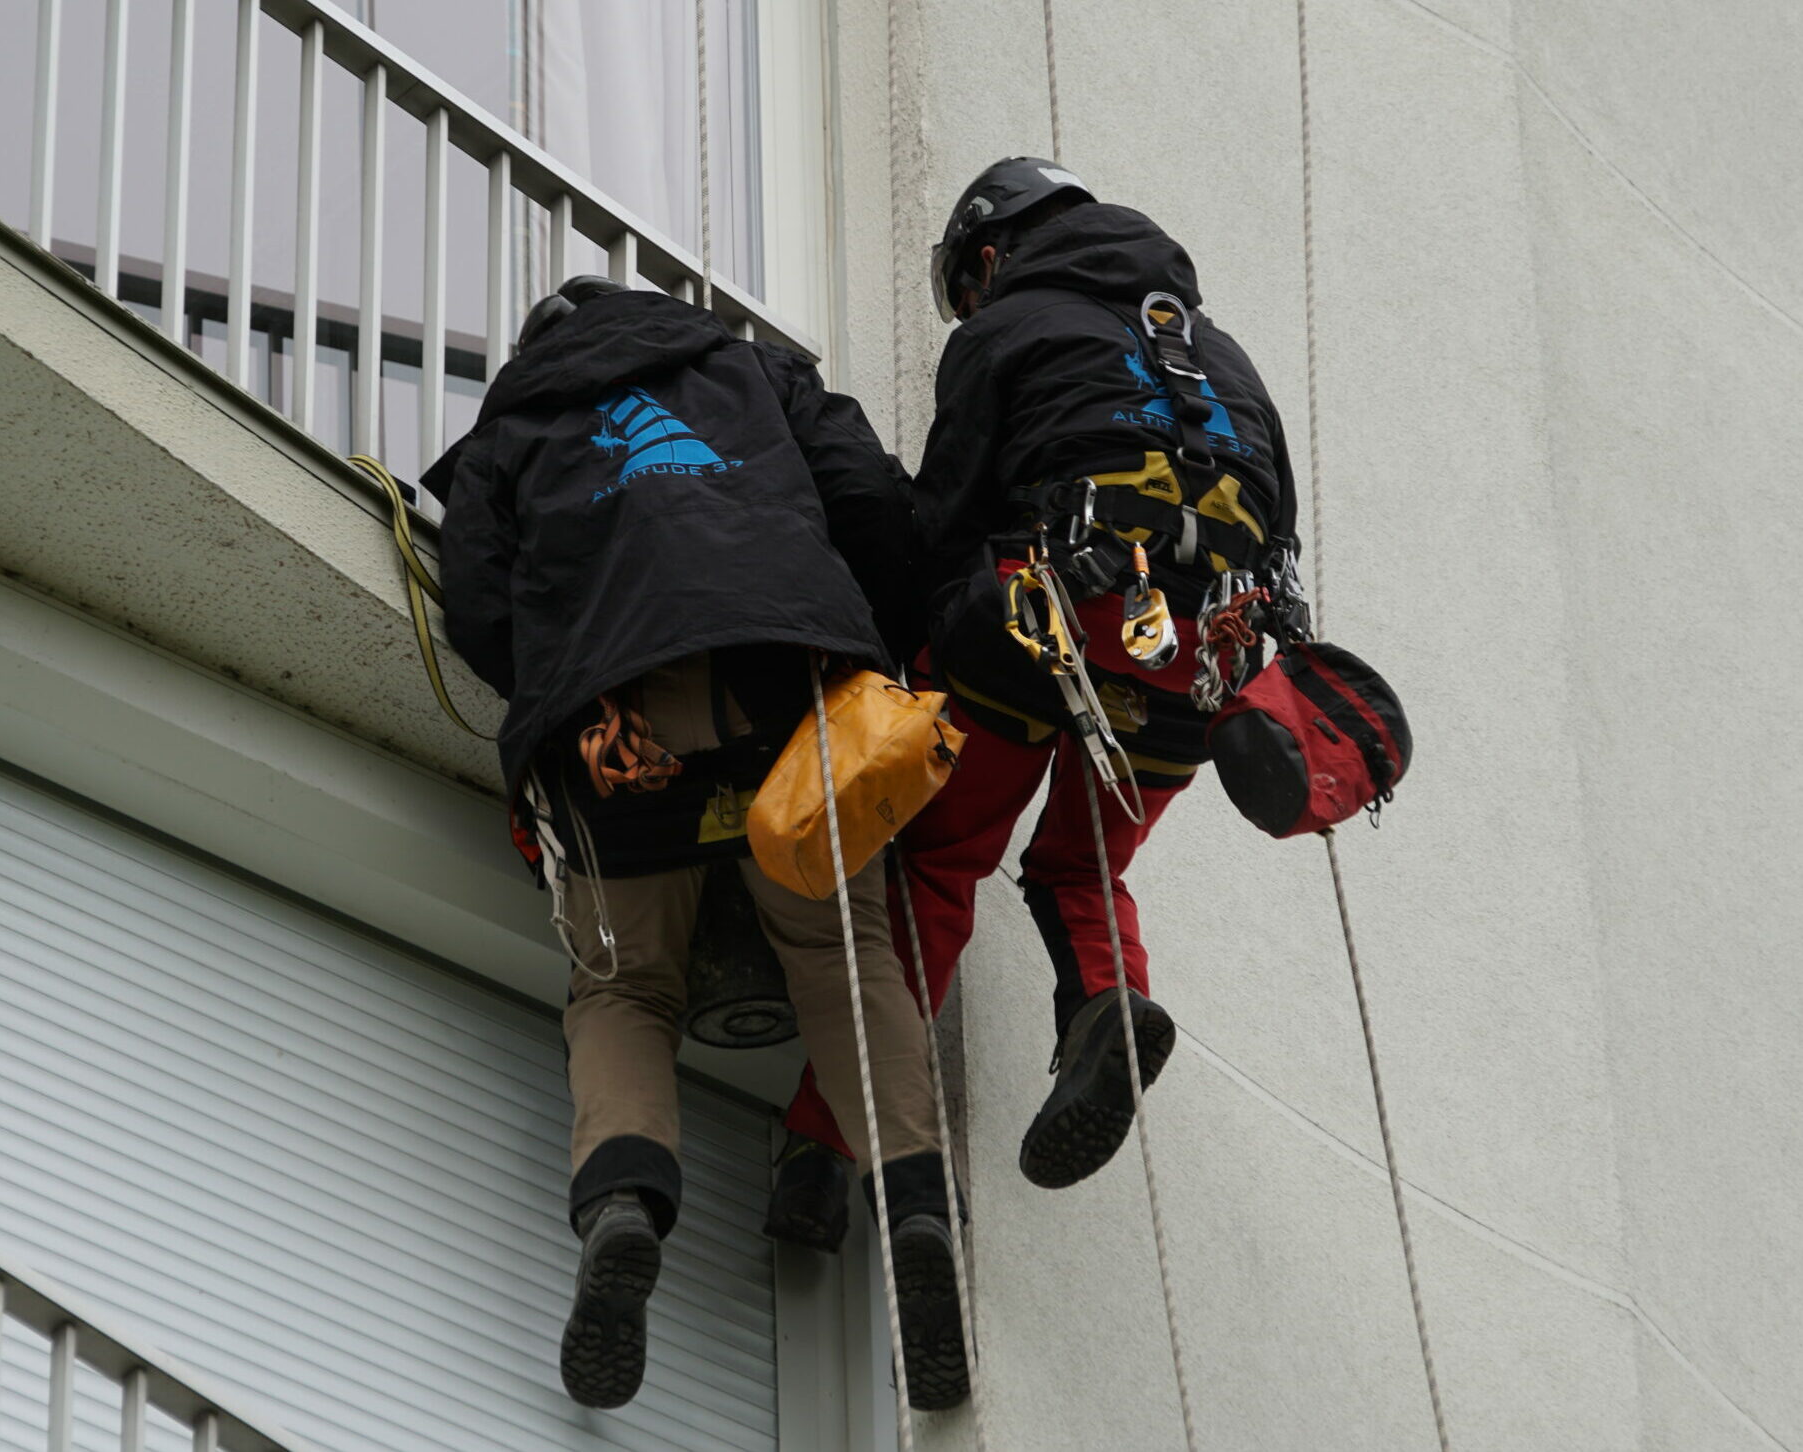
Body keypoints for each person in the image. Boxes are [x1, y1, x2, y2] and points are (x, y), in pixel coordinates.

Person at [426, 275, 968, 1412]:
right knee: (847, 952)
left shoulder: (511, 427)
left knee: (625, 987)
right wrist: (852, 629)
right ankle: (915, 1207)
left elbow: (475, 603)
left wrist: (570, 691)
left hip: (619, 723)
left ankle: (623, 1203)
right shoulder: (752, 368)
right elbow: (869, 500)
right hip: (782, 680)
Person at [767, 158, 1301, 1238]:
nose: (969, 304)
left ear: (991, 253)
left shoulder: (1006, 330)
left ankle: (825, 1150)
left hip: (1039, 620)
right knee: (1084, 862)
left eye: (968, 282)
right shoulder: (1232, 363)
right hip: (1205, 659)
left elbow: (946, 515)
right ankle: (1108, 1004)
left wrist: (894, 644)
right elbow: (1279, 535)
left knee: (940, 862)